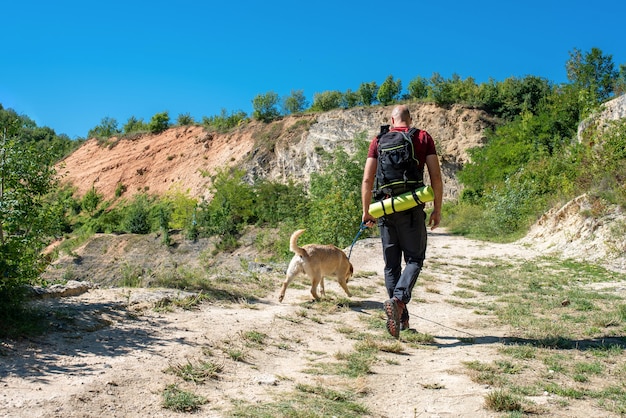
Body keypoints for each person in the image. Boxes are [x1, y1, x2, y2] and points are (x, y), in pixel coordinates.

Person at [361, 104, 443, 338]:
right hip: (412, 206)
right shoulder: (422, 137)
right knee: (415, 258)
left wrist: (367, 212)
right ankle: (398, 302)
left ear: (392, 119)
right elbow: (435, 176)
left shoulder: (379, 140)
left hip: (385, 208)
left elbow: (367, 180)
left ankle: (402, 320)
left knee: (391, 265)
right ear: (410, 119)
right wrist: (437, 209)